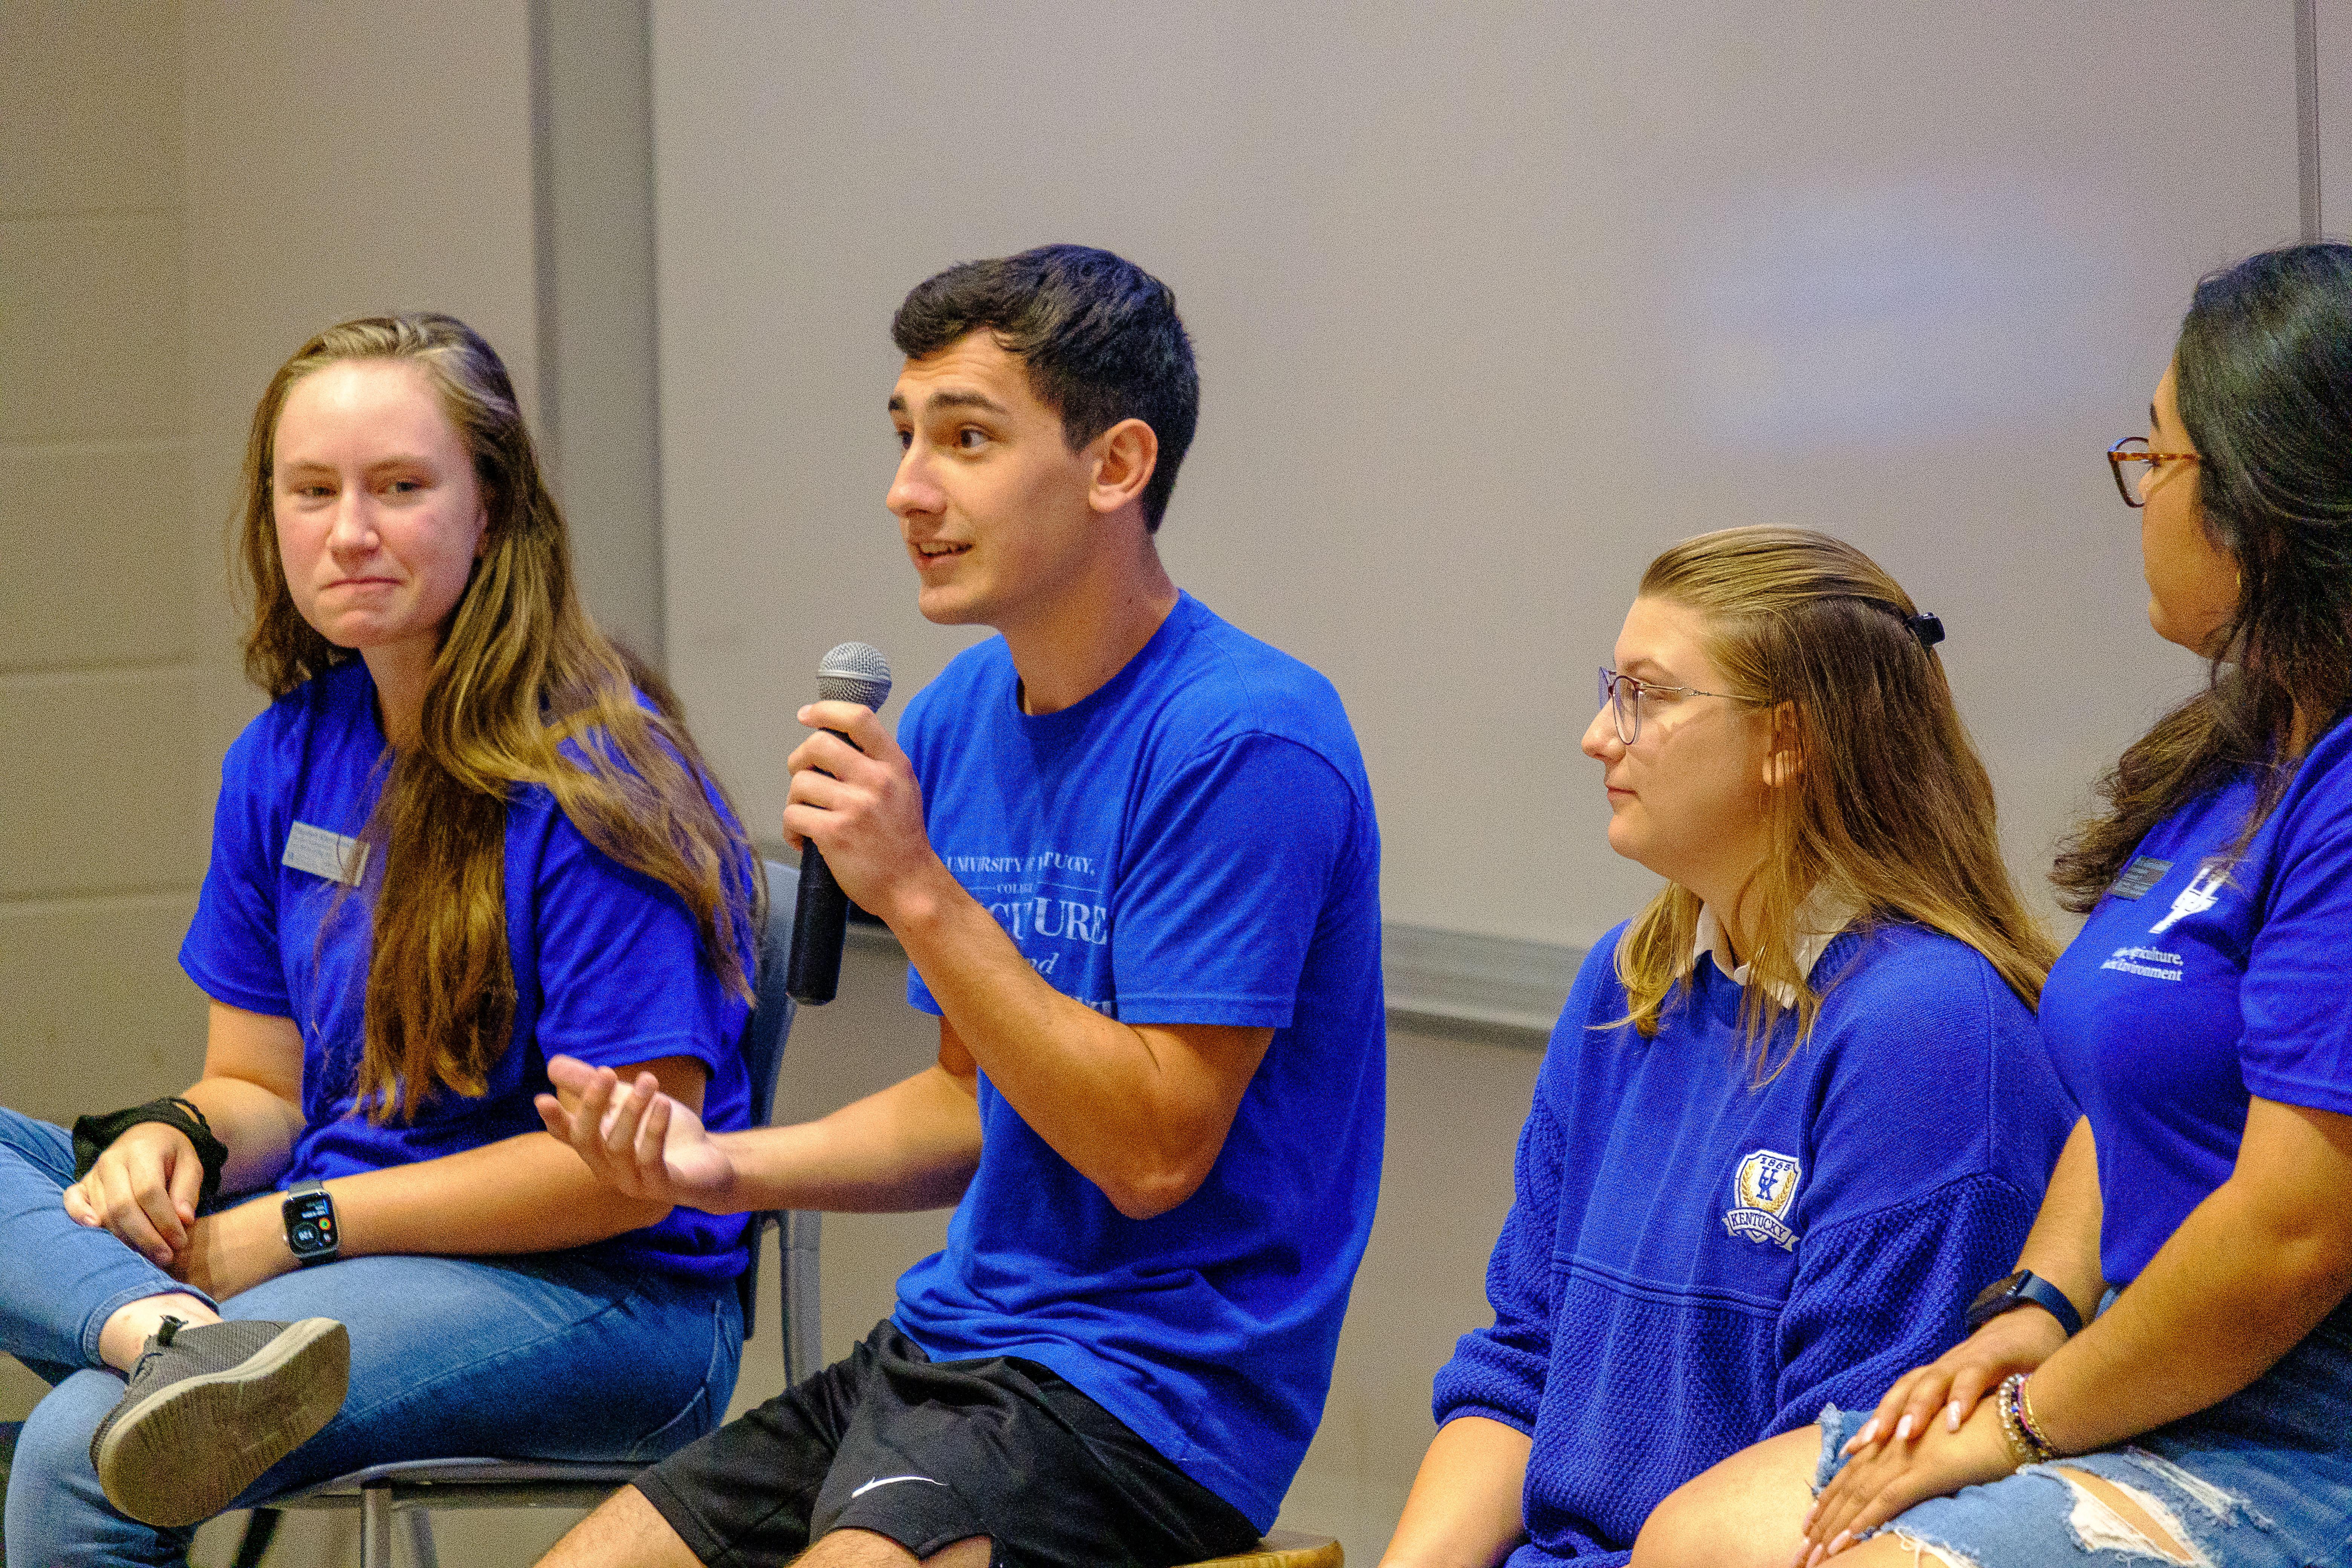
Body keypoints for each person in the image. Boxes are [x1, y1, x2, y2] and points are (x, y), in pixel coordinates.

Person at [534, 244, 1386, 1568]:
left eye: (968, 439)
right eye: (904, 437)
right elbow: (966, 1105)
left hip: (1149, 1401)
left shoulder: (1245, 741)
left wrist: (919, 891)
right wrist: (717, 1167)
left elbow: (1155, 1155)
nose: (907, 491)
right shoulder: (953, 719)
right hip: (952, 1345)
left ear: (1116, 467)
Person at [0, 313, 764, 1565]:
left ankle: (174, 1345)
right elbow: (258, 1086)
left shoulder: (600, 779)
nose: (349, 531)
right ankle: (176, 1341)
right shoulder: (288, 754)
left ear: (493, 509)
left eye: (401, 488)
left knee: (79, 1454)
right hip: (330, 1239)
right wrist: (178, 1137)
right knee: (110, 1356)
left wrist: (296, 1227)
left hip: (610, 1292)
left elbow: (623, 1169)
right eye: (313, 492)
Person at [1637, 245, 2352, 1568]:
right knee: (1697, 1537)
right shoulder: (2240, 756)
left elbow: (2299, 1233)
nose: (2139, 497)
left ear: (2264, 502)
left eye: (2161, 460)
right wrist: (2037, 1303)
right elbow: (2131, 1085)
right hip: (2143, 1364)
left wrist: (2022, 1423)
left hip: (2302, 1425)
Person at [1378, 527, 2076, 1568]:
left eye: (1647, 696)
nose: (1597, 735)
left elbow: (1848, 1477)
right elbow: (1523, 1366)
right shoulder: (1632, 982)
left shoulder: (1928, 1031)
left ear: (1787, 740)